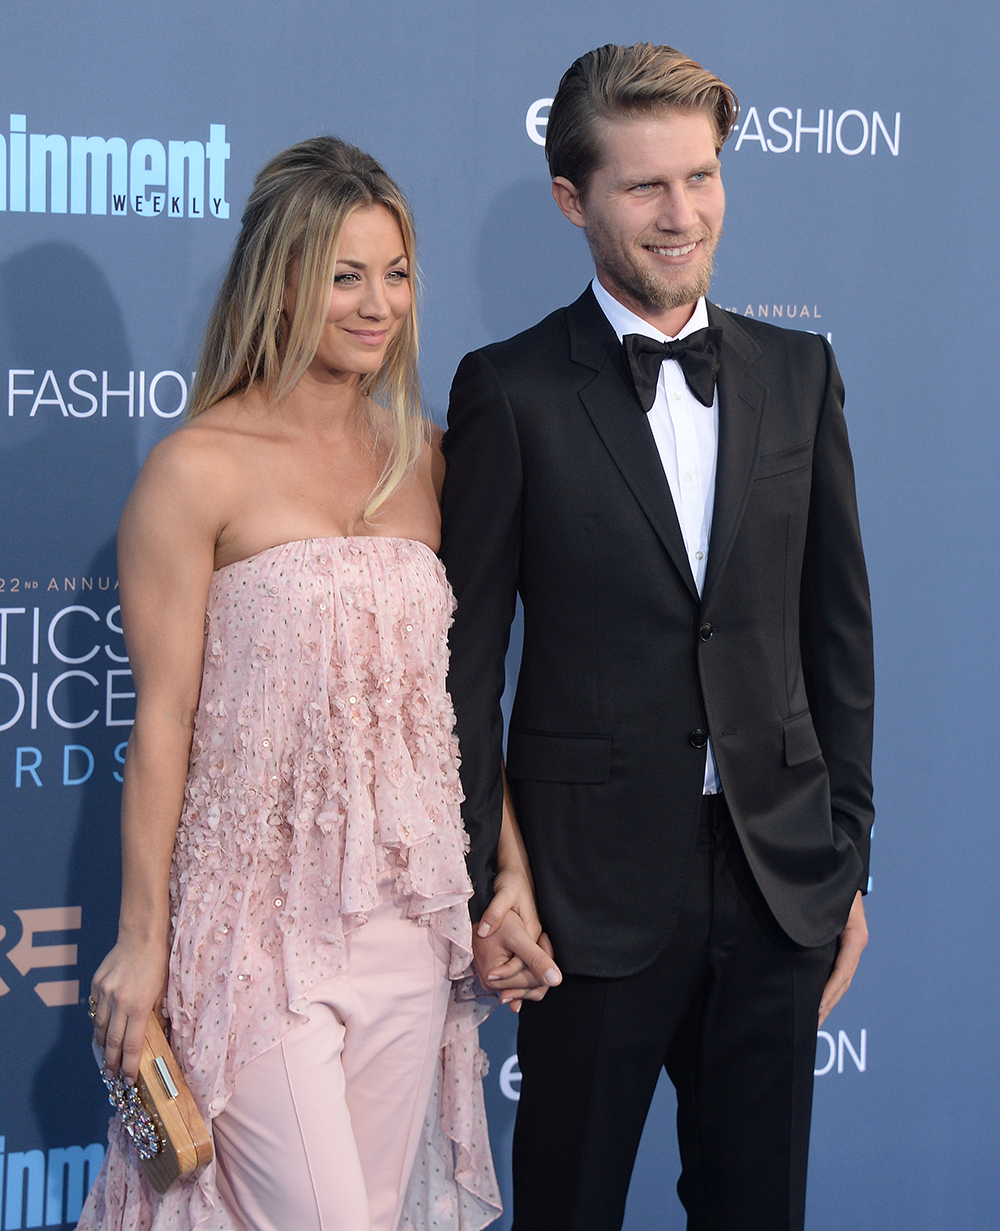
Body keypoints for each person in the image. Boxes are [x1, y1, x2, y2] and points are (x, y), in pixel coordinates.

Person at [440, 43, 874, 1231]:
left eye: (702, 176)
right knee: (569, 1207)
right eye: (645, 186)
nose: (683, 215)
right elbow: (461, 673)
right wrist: (488, 881)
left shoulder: (799, 372)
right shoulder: (509, 390)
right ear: (572, 202)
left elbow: (837, 634)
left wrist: (844, 857)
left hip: (778, 879)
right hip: (583, 902)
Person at [80, 136, 505, 1231]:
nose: (378, 305)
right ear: (282, 279)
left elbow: (452, 704)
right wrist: (142, 938)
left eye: (396, 273)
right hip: (254, 927)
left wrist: (509, 873)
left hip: (409, 918)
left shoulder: (431, 458)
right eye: (345, 275)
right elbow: (163, 719)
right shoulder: (196, 468)